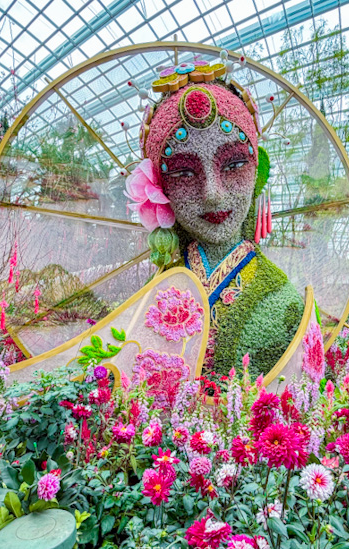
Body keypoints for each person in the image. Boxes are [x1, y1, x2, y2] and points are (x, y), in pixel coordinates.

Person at [137, 74, 302, 376]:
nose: (212, 194)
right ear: (161, 192)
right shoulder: (156, 290)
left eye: (234, 165)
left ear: (257, 174)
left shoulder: (284, 300)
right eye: (184, 173)